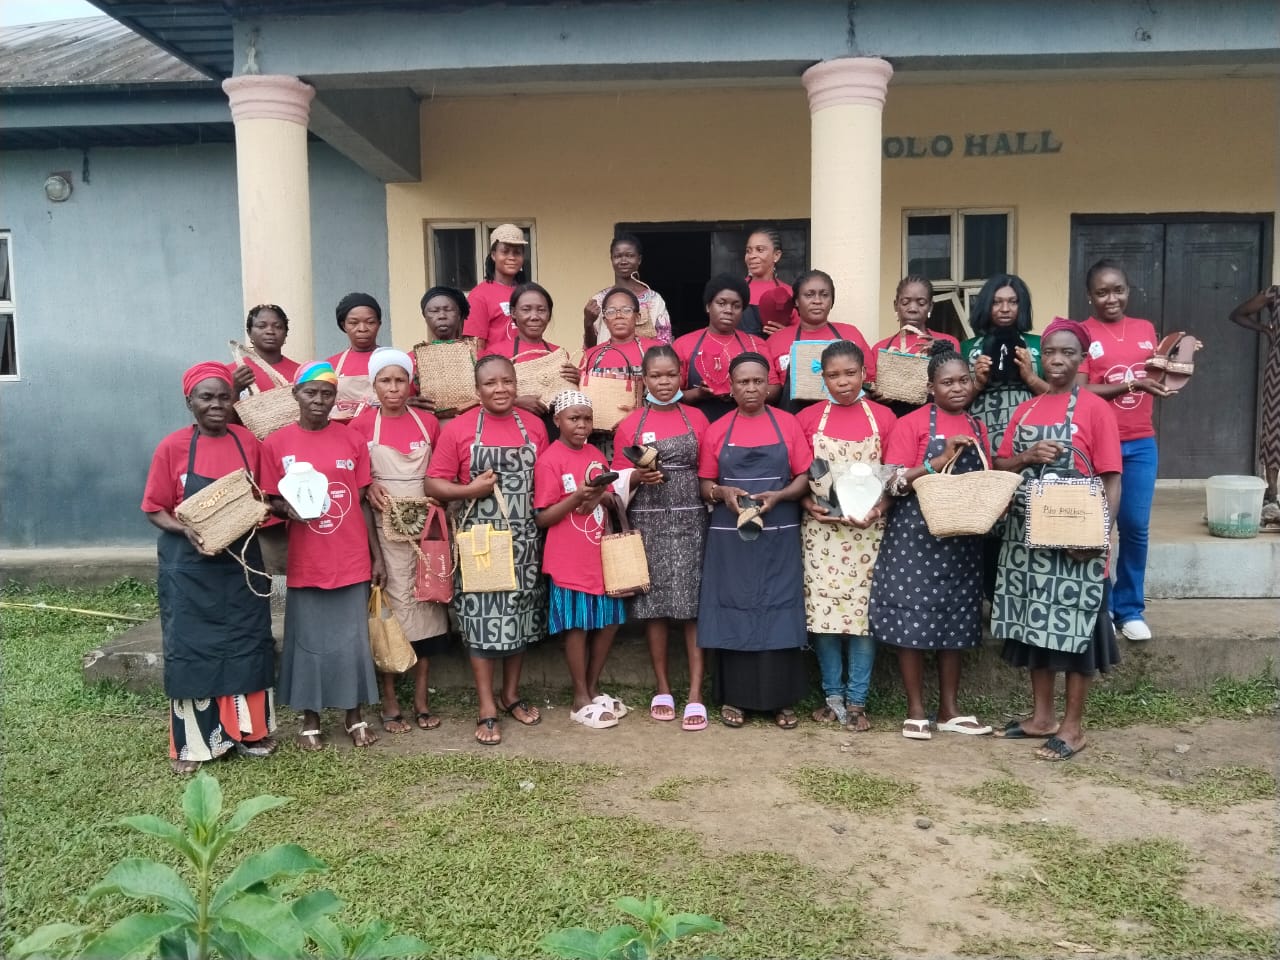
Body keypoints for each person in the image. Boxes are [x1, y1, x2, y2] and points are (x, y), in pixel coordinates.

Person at [992, 319, 1122, 761]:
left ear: (1081, 359)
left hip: (1076, 538)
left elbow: (1110, 479)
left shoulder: (1094, 409)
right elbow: (1003, 464)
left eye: (1067, 353)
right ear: (1040, 356)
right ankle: (1041, 718)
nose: (1058, 360)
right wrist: (1027, 456)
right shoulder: (1027, 409)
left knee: (1076, 629)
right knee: (1035, 626)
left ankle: (1072, 728)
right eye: (1050, 352)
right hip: (1028, 538)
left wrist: (1099, 536)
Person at [142, 362, 277, 775]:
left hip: (242, 563)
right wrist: (188, 530)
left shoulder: (247, 443)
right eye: (207, 397)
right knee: (192, 646)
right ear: (190, 403)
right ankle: (196, 741)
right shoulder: (172, 447)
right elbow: (154, 508)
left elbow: (265, 495)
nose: (217, 405)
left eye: (224, 396)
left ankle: (251, 732)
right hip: (189, 567)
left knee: (248, 639)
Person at [871, 342, 993, 740]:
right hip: (915, 534)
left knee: (956, 620)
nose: (957, 388)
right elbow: (892, 481)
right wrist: (936, 462)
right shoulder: (913, 425)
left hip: (962, 537)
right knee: (914, 618)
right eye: (947, 382)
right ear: (930, 388)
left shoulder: (978, 427)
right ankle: (916, 708)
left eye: (963, 380)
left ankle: (950, 709)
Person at [424, 355, 550, 745]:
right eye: (491, 383)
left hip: (526, 539)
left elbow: (545, 483)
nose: (500, 389)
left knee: (520, 616)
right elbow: (433, 485)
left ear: (516, 383)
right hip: (480, 541)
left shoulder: (534, 427)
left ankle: (511, 695)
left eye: (507, 381)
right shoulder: (460, 430)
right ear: (477, 391)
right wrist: (470, 491)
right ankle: (486, 706)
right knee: (481, 620)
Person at [260, 361, 382, 750]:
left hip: (349, 555)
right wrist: (284, 509)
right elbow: (267, 499)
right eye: (311, 392)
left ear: (335, 398)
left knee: (352, 640)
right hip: (306, 556)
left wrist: (375, 554)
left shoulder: (352, 440)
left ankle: (353, 714)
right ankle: (309, 715)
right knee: (307, 639)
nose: (319, 400)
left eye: (327, 393)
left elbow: (363, 502)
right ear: (295, 394)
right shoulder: (276, 443)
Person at [697, 353, 813, 729]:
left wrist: (779, 496)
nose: (751, 388)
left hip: (779, 530)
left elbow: (803, 478)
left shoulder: (789, 424)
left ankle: (782, 700)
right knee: (734, 604)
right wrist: (722, 492)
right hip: (731, 536)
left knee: (779, 605)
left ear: (769, 385)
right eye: (743, 382)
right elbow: (704, 484)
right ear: (730, 388)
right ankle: (736, 697)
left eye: (758, 381)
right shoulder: (717, 430)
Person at [535, 391, 658, 729]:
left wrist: (602, 498)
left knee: (609, 620)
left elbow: (607, 494)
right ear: (557, 421)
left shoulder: (594, 454)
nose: (582, 425)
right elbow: (543, 518)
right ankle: (578, 697)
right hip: (568, 557)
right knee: (577, 625)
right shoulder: (550, 460)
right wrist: (577, 497)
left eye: (587, 418)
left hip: (599, 554)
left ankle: (591, 688)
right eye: (574, 418)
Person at [797, 341, 897, 732]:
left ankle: (857, 701)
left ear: (864, 374)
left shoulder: (885, 419)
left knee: (862, 618)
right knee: (823, 616)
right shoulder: (807, 420)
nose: (843, 382)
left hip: (868, 534)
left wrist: (877, 510)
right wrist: (808, 503)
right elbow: (797, 474)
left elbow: (895, 479)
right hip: (821, 534)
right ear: (822, 377)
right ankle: (832, 696)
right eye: (834, 375)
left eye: (850, 374)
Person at [611, 346, 712, 730]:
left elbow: (708, 470)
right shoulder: (631, 423)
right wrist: (638, 476)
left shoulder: (698, 418)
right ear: (644, 379)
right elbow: (616, 478)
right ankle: (663, 688)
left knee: (691, 607)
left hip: (691, 520)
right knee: (653, 607)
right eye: (656, 376)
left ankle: (696, 694)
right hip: (648, 519)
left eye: (671, 375)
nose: (665, 382)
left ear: (681, 375)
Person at [1077, 259, 1176, 643]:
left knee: (1135, 527)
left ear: (1128, 291)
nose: (1111, 298)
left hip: (1140, 442)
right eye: (1102, 292)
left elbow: (1159, 372)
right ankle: (1096, 605)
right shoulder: (1083, 333)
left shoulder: (1145, 329)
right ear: (1090, 296)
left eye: (1118, 290)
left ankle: (1130, 608)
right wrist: (1132, 385)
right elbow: (1082, 390)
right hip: (1098, 444)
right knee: (1095, 527)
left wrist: (1181, 353)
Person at [350, 348, 447, 733]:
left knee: (427, 609)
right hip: (383, 532)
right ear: (373, 385)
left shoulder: (428, 423)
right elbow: (356, 480)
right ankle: (390, 701)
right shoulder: (360, 426)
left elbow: (438, 472)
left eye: (400, 380)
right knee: (388, 615)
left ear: (411, 384)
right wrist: (369, 484)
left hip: (426, 531)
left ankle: (421, 701)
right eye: (385, 381)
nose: (393, 388)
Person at [765, 269, 875, 414]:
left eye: (824, 295)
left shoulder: (850, 334)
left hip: (844, 419)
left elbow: (870, 383)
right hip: (793, 423)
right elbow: (770, 391)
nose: (817, 301)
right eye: (809, 295)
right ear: (797, 301)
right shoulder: (776, 340)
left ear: (832, 301)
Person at [672, 274, 776, 422]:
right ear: (708, 306)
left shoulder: (755, 344)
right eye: (721, 303)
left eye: (736, 305)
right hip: (699, 426)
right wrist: (699, 393)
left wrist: (740, 392)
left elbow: (774, 388)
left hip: (746, 426)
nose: (729, 310)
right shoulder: (683, 344)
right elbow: (671, 393)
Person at [961, 274, 1047, 451]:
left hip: (1032, 440)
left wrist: (1031, 378)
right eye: (996, 302)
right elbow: (953, 404)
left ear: (1021, 305)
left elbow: (1060, 398)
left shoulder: (1041, 344)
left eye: (1013, 302)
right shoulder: (967, 348)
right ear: (986, 306)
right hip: (978, 441)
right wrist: (977, 384)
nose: (1005, 308)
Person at [482, 282, 580, 421]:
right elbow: (482, 397)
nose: (534, 316)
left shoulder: (559, 354)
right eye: (526, 309)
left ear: (549, 314)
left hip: (556, 431)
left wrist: (578, 379)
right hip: (513, 429)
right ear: (514, 313)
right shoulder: (496, 354)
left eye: (541, 310)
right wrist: (515, 403)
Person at [869, 276, 961, 417]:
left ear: (930, 306)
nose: (912, 308)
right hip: (894, 423)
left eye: (921, 303)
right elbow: (869, 391)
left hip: (935, 422)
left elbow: (957, 387)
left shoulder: (948, 342)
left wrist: (942, 351)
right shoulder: (881, 349)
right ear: (896, 305)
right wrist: (877, 394)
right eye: (905, 302)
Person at [1227, 285, 1280, 512]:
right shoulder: (1274, 293)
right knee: (1274, 427)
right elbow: (1237, 314)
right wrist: (1265, 330)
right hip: (1278, 370)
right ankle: (1273, 493)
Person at [583, 234, 672, 346]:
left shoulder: (654, 300)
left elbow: (665, 342)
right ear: (611, 259)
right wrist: (588, 323)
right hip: (607, 361)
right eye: (618, 256)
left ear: (639, 260)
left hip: (644, 362)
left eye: (630, 256)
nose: (623, 261)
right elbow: (591, 349)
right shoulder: (599, 300)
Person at [328, 292, 397, 422]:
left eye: (370, 322)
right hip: (344, 436)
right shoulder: (330, 366)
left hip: (384, 432)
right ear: (344, 325)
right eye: (353, 323)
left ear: (379, 324)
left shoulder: (394, 361)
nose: (362, 328)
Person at [464, 223, 529, 349]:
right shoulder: (479, 295)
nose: (511, 257)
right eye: (505, 251)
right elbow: (475, 348)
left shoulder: (527, 293)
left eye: (517, 252)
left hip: (526, 365)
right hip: (496, 366)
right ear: (493, 255)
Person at [230, 303, 300, 394]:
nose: (270, 331)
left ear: (286, 333)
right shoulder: (234, 372)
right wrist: (234, 388)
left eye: (278, 326)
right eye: (261, 326)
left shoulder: (301, 373)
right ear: (249, 332)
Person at [742, 227, 795, 336]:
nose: (752, 256)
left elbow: (801, 332)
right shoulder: (735, 290)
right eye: (748, 251)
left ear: (776, 255)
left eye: (760, 250)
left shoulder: (789, 293)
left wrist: (786, 334)